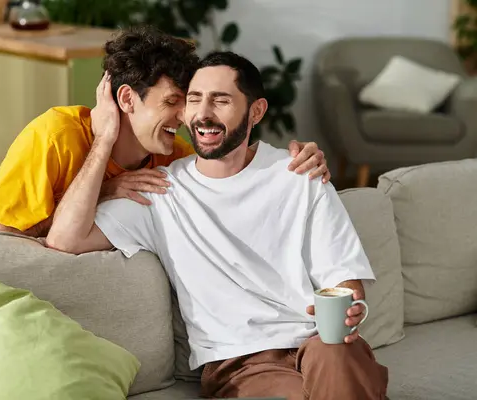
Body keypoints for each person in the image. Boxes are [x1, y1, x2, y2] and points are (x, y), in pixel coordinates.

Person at [45, 50, 388, 400]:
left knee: (338, 355)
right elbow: (64, 239)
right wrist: (104, 139)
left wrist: (350, 311)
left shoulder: (300, 175)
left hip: (321, 347)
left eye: (221, 100)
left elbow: (345, 281)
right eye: (194, 100)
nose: (203, 114)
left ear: (256, 111)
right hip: (243, 363)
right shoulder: (161, 192)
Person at [0, 26, 331, 238]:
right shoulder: (56, 135)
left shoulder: (174, 155)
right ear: (127, 98)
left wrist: (295, 161)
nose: (187, 115)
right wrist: (105, 186)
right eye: (174, 101)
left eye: (187, 100)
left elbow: (238, 189)